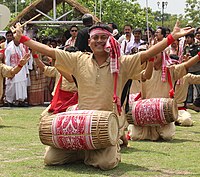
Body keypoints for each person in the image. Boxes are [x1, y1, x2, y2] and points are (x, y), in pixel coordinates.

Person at [13, 21, 194, 170]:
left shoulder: (122, 63)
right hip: (81, 126)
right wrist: (23, 39)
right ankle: (84, 152)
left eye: (104, 38)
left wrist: (170, 39)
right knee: (50, 159)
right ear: (89, 42)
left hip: (108, 125)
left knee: (106, 164)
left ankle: (108, 149)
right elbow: (49, 51)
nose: (99, 41)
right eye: (95, 38)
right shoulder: (78, 59)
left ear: (111, 41)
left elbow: (147, 54)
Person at [4, 39, 29, 107]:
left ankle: (21, 101)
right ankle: (10, 101)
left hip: (22, 70)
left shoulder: (22, 48)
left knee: (21, 85)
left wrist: (26, 71)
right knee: (12, 86)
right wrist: (9, 72)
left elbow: (25, 61)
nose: (19, 41)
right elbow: (7, 61)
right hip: (13, 69)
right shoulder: (9, 48)